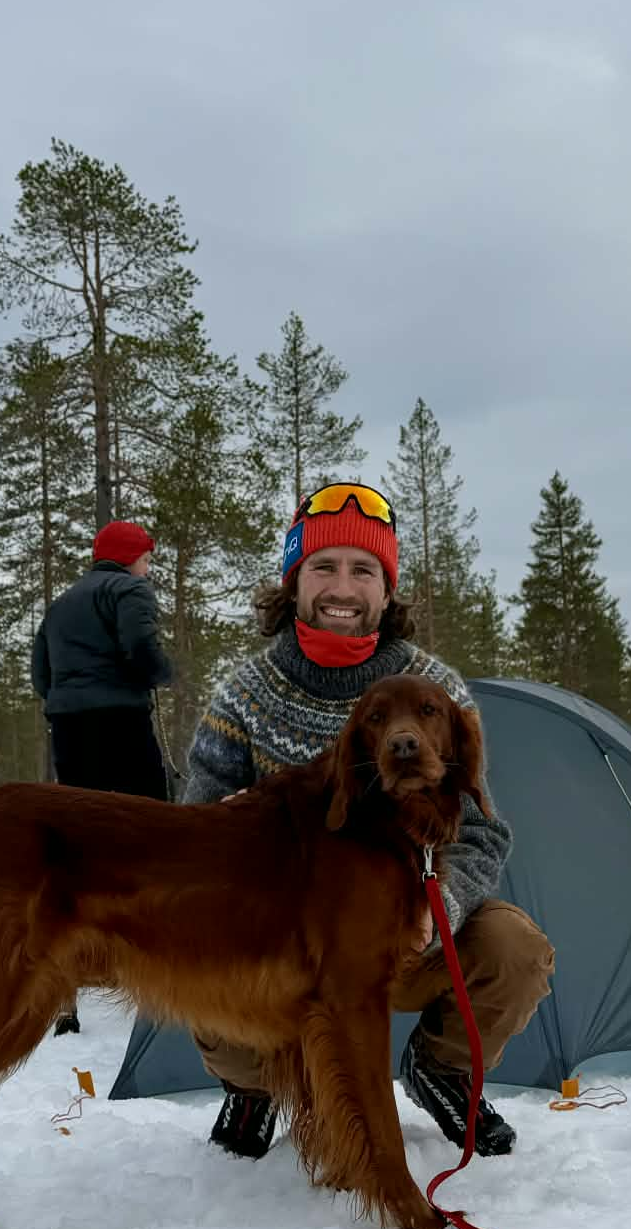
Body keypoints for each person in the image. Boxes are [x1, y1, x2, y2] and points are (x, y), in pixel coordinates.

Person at [181, 481, 555, 1162]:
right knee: (194, 958)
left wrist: (436, 907)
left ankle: (440, 1070)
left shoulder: (437, 690)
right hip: (280, 944)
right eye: (323, 567)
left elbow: (480, 831)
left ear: (387, 592)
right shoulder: (242, 692)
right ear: (294, 583)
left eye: (363, 571)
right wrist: (222, 831)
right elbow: (192, 824)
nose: (342, 587)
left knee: (514, 948)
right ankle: (257, 1086)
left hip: (402, 932)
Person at [33, 519, 173, 1034]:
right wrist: (159, 674)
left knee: (80, 844)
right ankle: (157, 966)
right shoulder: (130, 589)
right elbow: (140, 647)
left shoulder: (61, 603)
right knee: (152, 832)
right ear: (133, 557)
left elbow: (40, 673)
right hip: (121, 722)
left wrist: (63, 704)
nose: (149, 567)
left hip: (69, 728)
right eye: (147, 558)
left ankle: (66, 984)